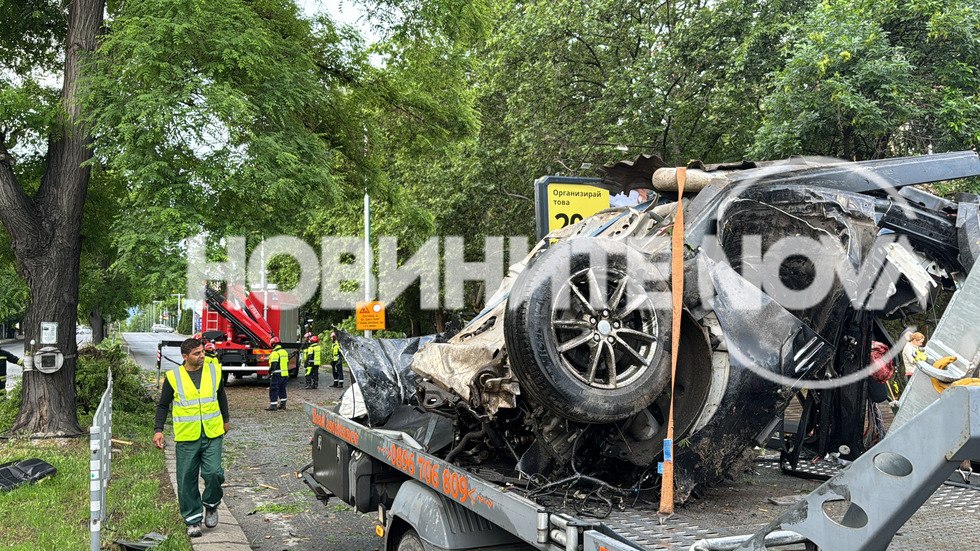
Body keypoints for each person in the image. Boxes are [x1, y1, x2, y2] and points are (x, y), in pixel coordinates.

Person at [153, 338, 229, 538]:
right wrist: (158, 430)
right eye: (197, 353)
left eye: (202, 351)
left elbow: (221, 396)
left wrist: (226, 419)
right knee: (186, 479)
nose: (202, 355)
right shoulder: (173, 377)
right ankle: (193, 520)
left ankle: (211, 505)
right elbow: (163, 405)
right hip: (187, 436)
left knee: (213, 473)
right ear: (185, 357)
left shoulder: (213, 371)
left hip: (213, 432)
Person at [267, 337, 289, 410]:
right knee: (282, 389)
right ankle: (283, 404)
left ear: (273, 344)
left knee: (274, 389)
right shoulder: (284, 352)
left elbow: (274, 364)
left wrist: (270, 372)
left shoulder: (275, 353)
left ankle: (273, 405)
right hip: (284, 374)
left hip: (277, 374)